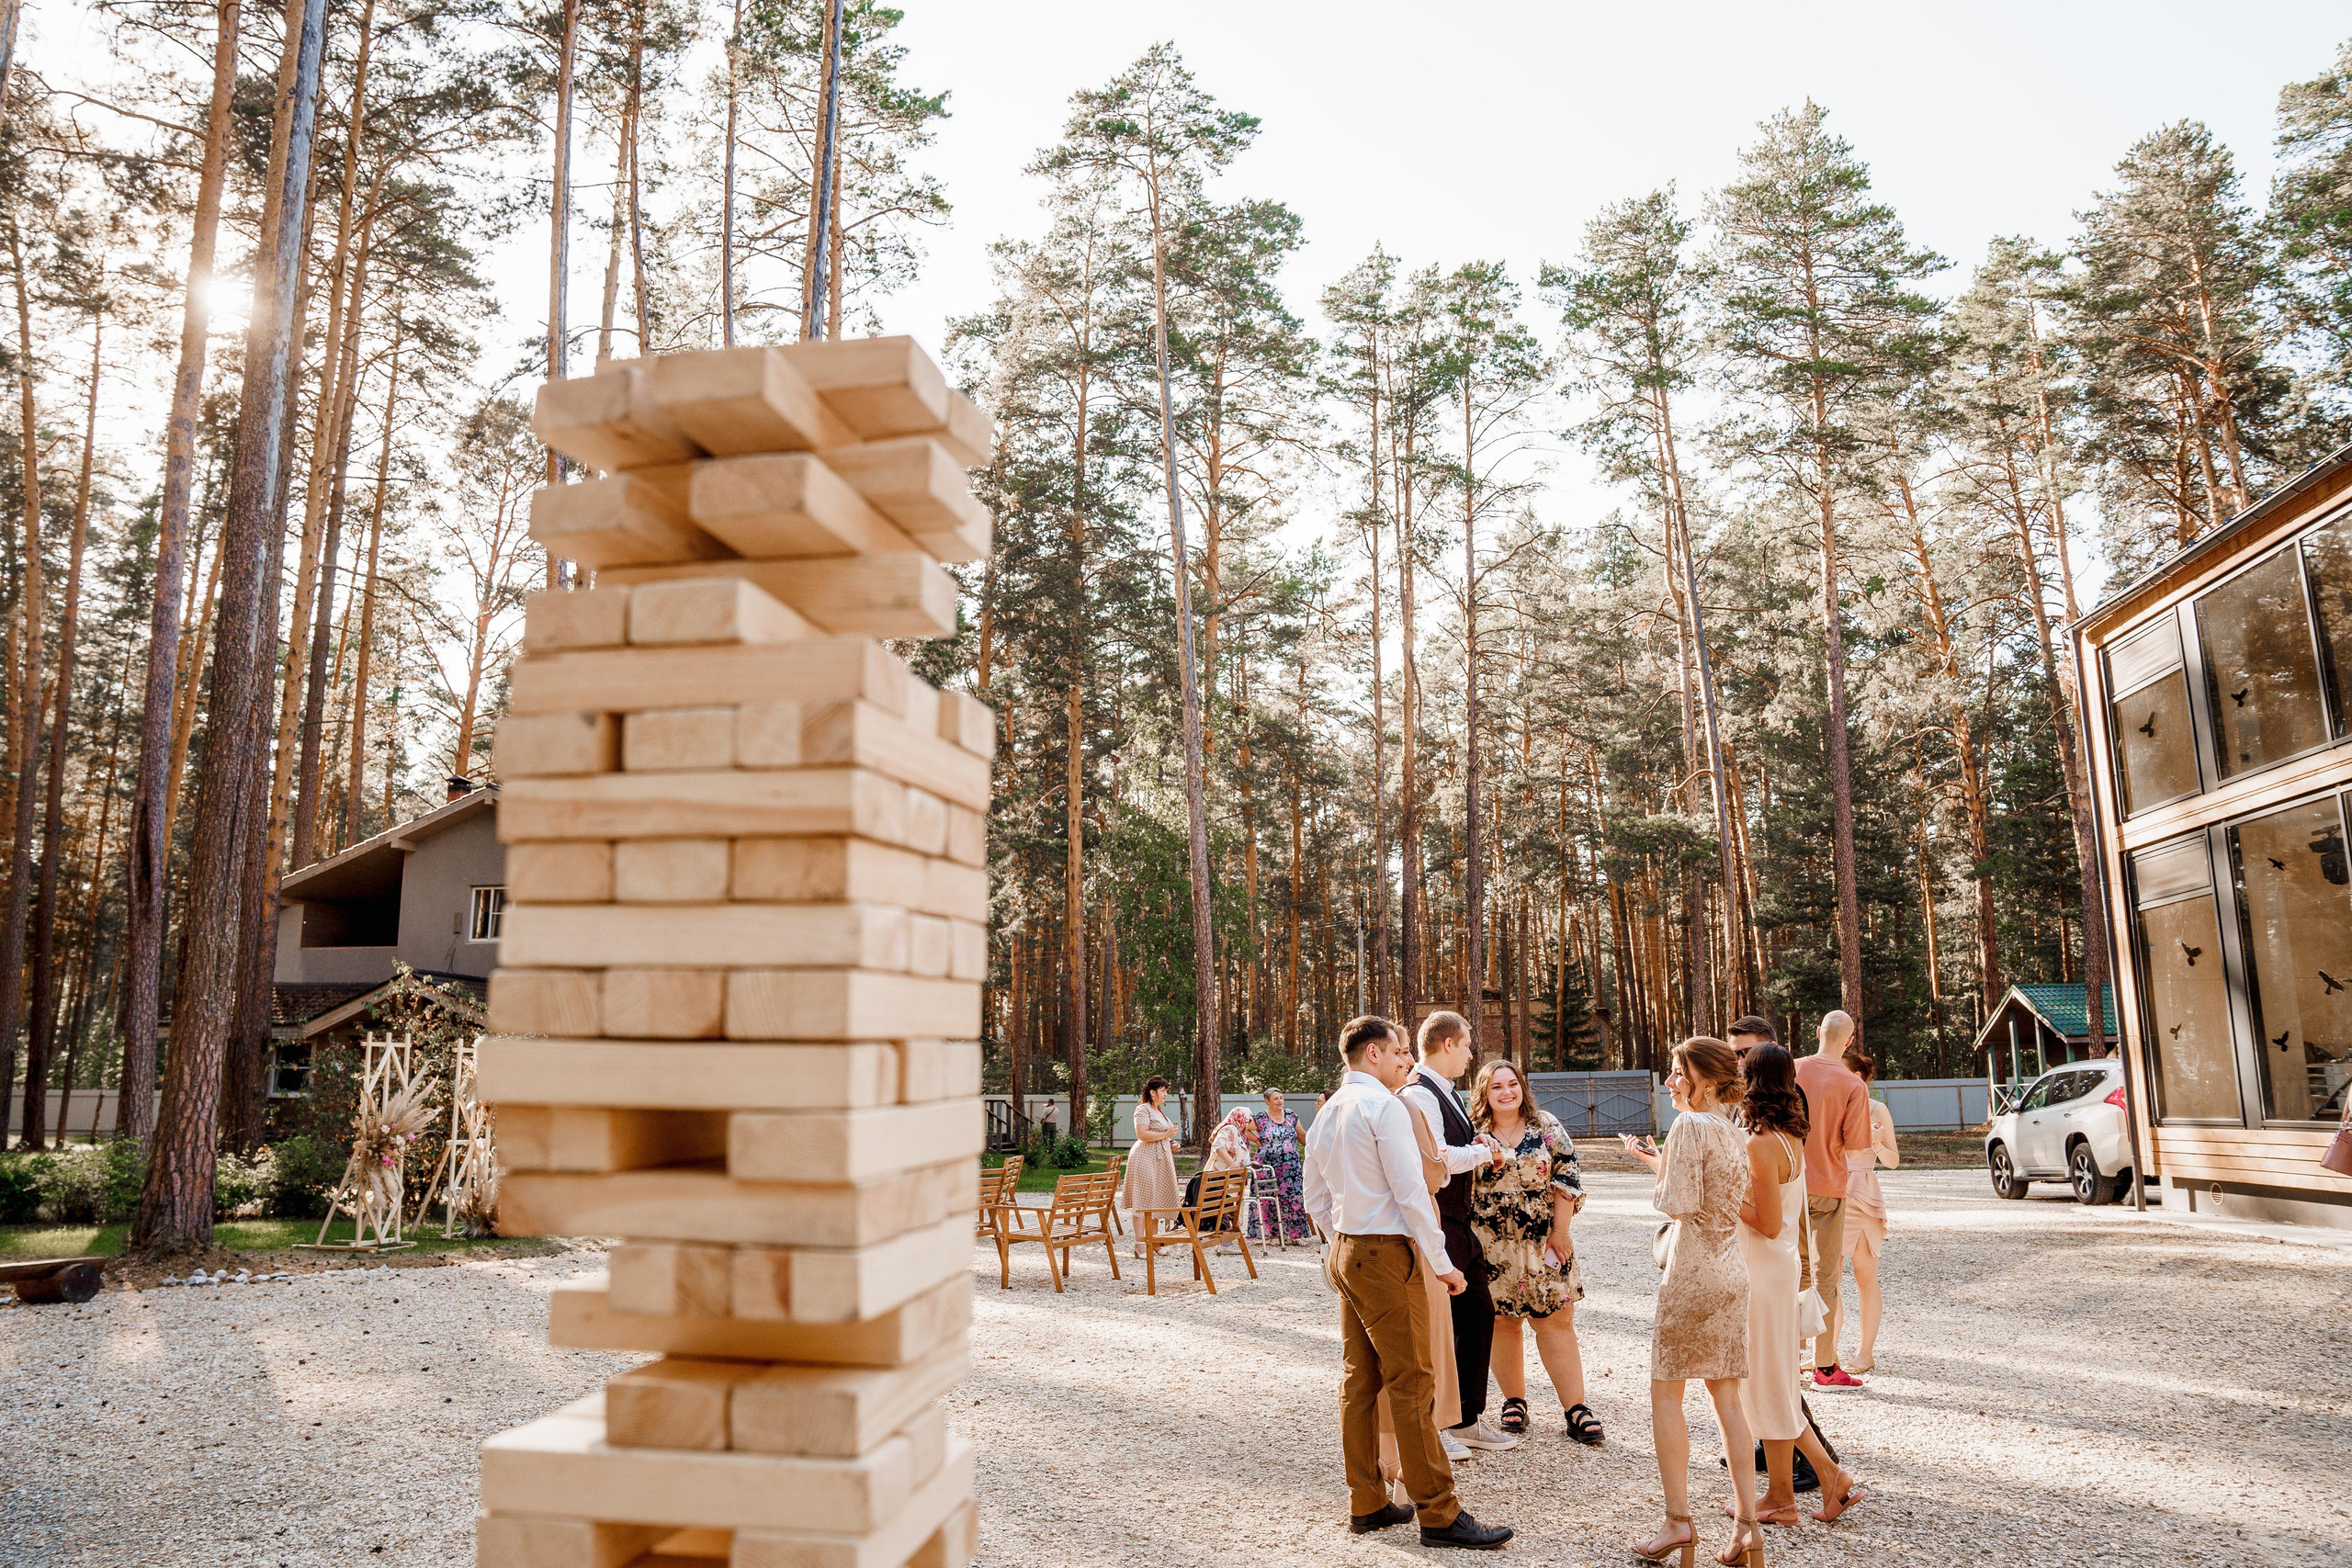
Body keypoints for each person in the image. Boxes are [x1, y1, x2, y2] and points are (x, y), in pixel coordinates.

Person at [1304, 1016, 1514, 1551]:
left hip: (1348, 1249)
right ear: (1373, 1055)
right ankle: (1439, 1514)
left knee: (1360, 1380)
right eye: (1398, 1051)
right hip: (1382, 1253)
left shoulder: (1328, 1110)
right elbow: (1411, 1194)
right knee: (1413, 1381)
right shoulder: (1384, 1107)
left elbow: (1315, 1198)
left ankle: (1368, 1500)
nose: (1406, 1061)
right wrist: (1443, 1263)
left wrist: (1340, 1243)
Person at [1621, 1038, 1762, 1568]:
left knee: (1666, 1394)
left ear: (1703, 1079)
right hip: (1731, 1269)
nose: (1669, 1083)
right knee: (1728, 1401)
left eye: (1678, 1074)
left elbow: (1676, 1202)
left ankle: (1678, 1520)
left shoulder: (1690, 1126)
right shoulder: (1731, 1129)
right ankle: (1747, 1525)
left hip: (1693, 1272)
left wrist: (1661, 1176)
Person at [1732, 1043, 1865, 1530]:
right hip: (1777, 1270)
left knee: (1766, 1390)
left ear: (1749, 1080)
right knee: (1777, 1389)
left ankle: (1804, 1489)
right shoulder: (1789, 1133)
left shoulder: (1760, 1142)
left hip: (1763, 1273)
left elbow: (1765, 1223)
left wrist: (1722, 1194)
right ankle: (1802, 1488)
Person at [1466, 1059, 1601, 1446]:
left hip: (1544, 1241)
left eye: (1512, 1084)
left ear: (1522, 1087)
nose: (1507, 1092)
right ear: (1484, 1094)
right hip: (1491, 1246)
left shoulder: (1546, 1125)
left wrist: (1561, 1232)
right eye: (1497, 1087)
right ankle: (1514, 1401)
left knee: (1556, 1320)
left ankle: (1576, 1409)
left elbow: (1567, 1177)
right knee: (1502, 1323)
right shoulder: (1472, 1132)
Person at [1401, 1011, 1516, 1456]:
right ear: (1447, 1045)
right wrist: (1484, 1152)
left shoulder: (1445, 1093)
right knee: (1440, 1327)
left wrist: (1478, 1148)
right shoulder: (1418, 1094)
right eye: (1467, 1044)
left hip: (1460, 1223)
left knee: (1477, 1315)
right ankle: (1438, 1423)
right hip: (1438, 1221)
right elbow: (1437, 1157)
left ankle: (1467, 1417)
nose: (1471, 1053)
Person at [1793, 1012, 1872, 1393]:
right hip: (1829, 1187)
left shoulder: (1790, 1070)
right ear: (1849, 1040)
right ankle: (1824, 1367)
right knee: (1826, 1276)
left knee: (1790, 1269)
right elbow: (1857, 1146)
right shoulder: (1853, 1084)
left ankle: (1788, 1358)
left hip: (1787, 1182)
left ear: (1819, 1032)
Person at [1837, 1046, 1899, 1375]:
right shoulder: (1828, 1107)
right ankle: (1826, 1353)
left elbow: (1893, 1161)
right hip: (1830, 1194)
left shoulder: (1877, 1110)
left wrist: (1876, 1144)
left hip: (1862, 1197)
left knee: (1865, 1277)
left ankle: (1864, 1353)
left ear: (1857, 1077)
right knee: (1827, 1281)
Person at [1123, 1077, 1182, 1258]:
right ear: (1152, 1093)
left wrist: (1170, 1141)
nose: (1166, 1094)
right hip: (1144, 1159)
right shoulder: (1143, 1109)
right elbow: (1142, 1134)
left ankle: (1154, 1241)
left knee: (1156, 1199)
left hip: (1160, 1159)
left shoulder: (1159, 1111)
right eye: (1163, 1091)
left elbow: (1160, 1134)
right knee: (1143, 1200)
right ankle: (1140, 1244)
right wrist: (1166, 1133)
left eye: (1166, 1090)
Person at [1250, 1088, 1314, 1242]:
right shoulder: (1260, 1118)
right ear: (1267, 1101)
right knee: (1269, 1199)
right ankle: (1273, 1234)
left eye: (1281, 1098)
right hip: (1267, 1167)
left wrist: (1315, 1148)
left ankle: (1295, 1235)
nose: (1280, 1101)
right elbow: (1244, 1128)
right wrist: (1257, 1141)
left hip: (1291, 1168)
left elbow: (1302, 1135)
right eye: (1275, 1099)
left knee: (1294, 1199)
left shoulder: (1291, 1116)